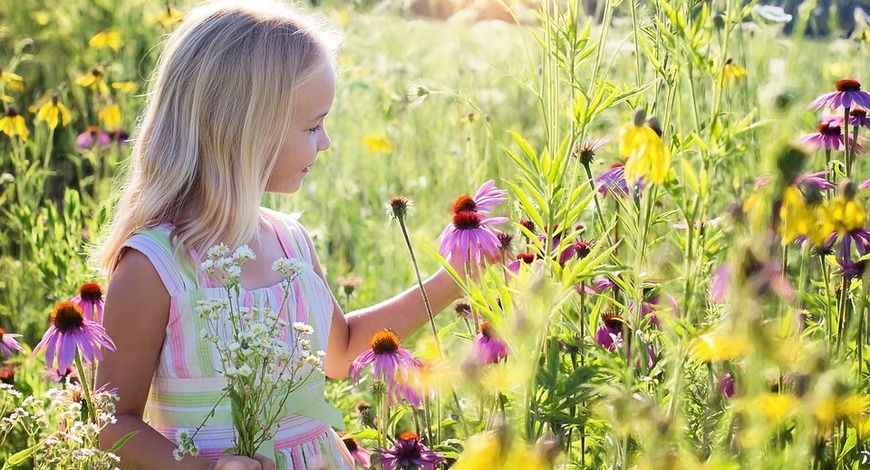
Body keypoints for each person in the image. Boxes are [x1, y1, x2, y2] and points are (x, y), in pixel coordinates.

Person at [94, 1, 464, 469]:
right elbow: (110, 423)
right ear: (244, 130)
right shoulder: (155, 267)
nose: (326, 142)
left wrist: (451, 280)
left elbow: (342, 352)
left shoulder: (291, 241)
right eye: (313, 126)